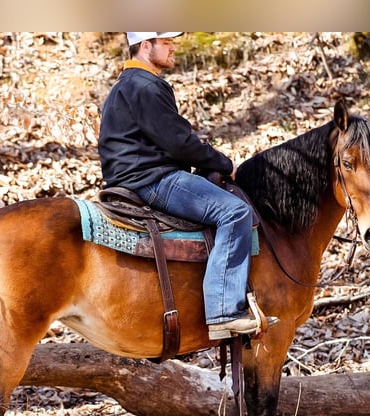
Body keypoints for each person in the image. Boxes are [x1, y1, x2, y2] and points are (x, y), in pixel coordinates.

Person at [98, 32, 267, 340]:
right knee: (235, 213)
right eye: (165, 42)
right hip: (152, 179)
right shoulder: (147, 86)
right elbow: (179, 143)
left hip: (130, 177)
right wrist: (223, 163)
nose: (173, 46)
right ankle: (224, 312)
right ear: (145, 45)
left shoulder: (123, 86)